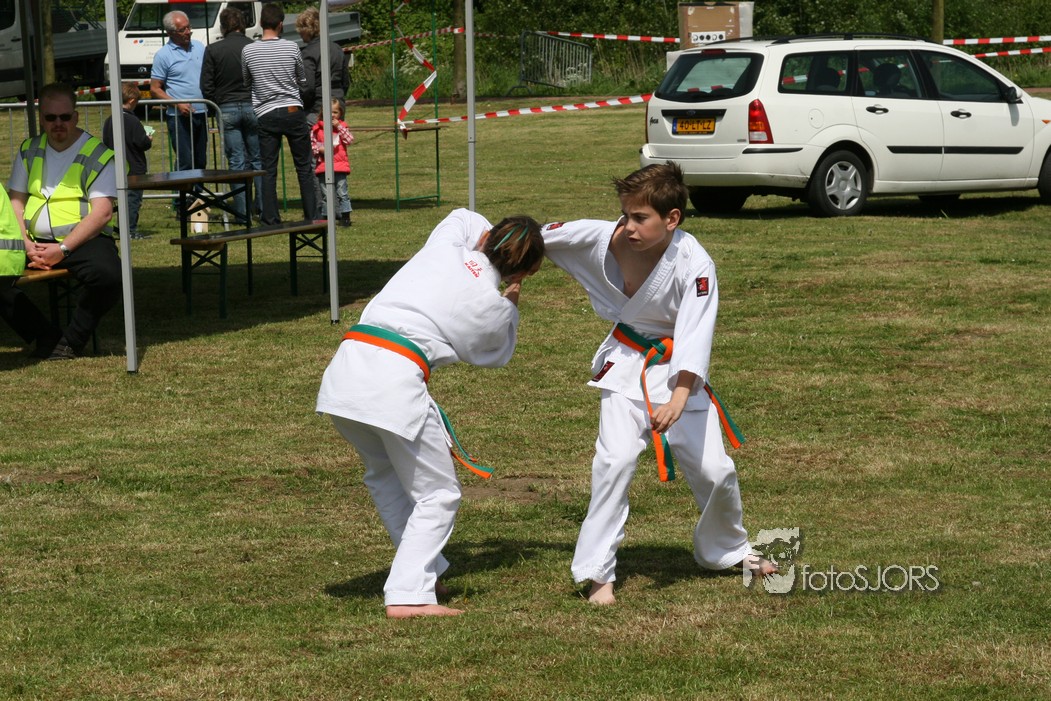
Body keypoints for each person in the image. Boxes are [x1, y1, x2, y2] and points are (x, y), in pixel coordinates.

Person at [540, 162, 776, 605]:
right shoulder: (603, 237)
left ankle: (729, 548)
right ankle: (598, 574)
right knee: (614, 461)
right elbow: (534, 237)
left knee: (714, 470)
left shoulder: (695, 265)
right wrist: (503, 258)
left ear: (672, 219)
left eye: (639, 218)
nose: (627, 226)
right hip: (625, 362)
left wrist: (679, 398)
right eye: (625, 214)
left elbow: (695, 336)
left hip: (677, 373)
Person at [316, 208, 545, 618]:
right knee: (438, 494)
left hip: (344, 374)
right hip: (393, 382)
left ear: (486, 239)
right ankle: (409, 595)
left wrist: (493, 240)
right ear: (524, 272)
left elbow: (463, 215)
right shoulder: (491, 306)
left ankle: (425, 572)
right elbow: (496, 352)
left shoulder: (446, 247)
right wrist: (512, 296)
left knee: (386, 477)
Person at [2, 83, 121, 361]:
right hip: (32, 243)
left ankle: (71, 341)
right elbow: (15, 202)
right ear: (41, 118)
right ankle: (45, 335)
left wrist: (63, 249)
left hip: (82, 241)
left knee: (109, 276)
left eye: (65, 117)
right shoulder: (29, 149)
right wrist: (25, 243)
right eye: (50, 117)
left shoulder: (98, 154)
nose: (58, 123)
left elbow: (102, 213)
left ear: (76, 117)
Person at [241, 3, 317, 225]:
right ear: (281, 24)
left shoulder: (248, 50)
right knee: (303, 166)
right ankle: (311, 214)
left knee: (269, 168)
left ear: (261, 23)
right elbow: (302, 79)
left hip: (266, 112)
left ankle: (271, 217)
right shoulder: (292, 47)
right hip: (293, 110)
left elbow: (247, 81)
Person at [201, 6, 262, 221]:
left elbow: (206, 85)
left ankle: (242, 212)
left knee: (236, 161)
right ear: (243, 25)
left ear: (223, 26)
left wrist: (215, 107)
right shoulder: (254, 47)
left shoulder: (213, 50)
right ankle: (262, 208)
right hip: (252, 105)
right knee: (257, 159)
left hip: (226, 107)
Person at [296, 6, 350, 218]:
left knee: (317, 160)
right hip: (337, 105)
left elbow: (307, 87)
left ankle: (323, 208)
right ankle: (342, 205)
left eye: (301, 30)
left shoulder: (308, 53)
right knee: (338, 155)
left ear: (308, 29)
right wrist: (338, 104)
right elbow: (345, 80)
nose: (300, 34)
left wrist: (305, 106)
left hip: (316, 108)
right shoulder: (337, 49)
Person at [150, 10, 208, 175]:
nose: (188, 32)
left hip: (201, 112)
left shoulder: (199, 47)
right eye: (182, 30)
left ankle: (199, 191)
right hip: (178, 117)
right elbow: (155, 89)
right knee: (185, 161)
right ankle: (181, 192)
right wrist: (177, 104)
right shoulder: (163, 55)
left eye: (189, 27)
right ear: (170, 33)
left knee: (200, 160)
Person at [102, 82, 152, 239]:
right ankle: (130, 230)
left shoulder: (110, 120)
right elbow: (142, 143)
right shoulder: (133, 121)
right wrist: (148, 139)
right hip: (134, 168)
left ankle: (119, 227)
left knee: (120, 200)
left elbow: (106, 141)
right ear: (131, 101)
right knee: (132, 200)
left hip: (115, 166)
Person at [311, 99, 354, 227]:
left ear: (340, 113)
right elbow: (312, 146)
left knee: (342, 193)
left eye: (335, 112)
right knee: (326, 195)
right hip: (323, 166)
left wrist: (339, 127)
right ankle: (326, 218)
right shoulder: (317, 128)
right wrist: (319, 149)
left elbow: (349, 140)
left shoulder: (342, 126)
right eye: (329, 112)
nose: (332, 115)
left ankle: (345, 217)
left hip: (340, 165)